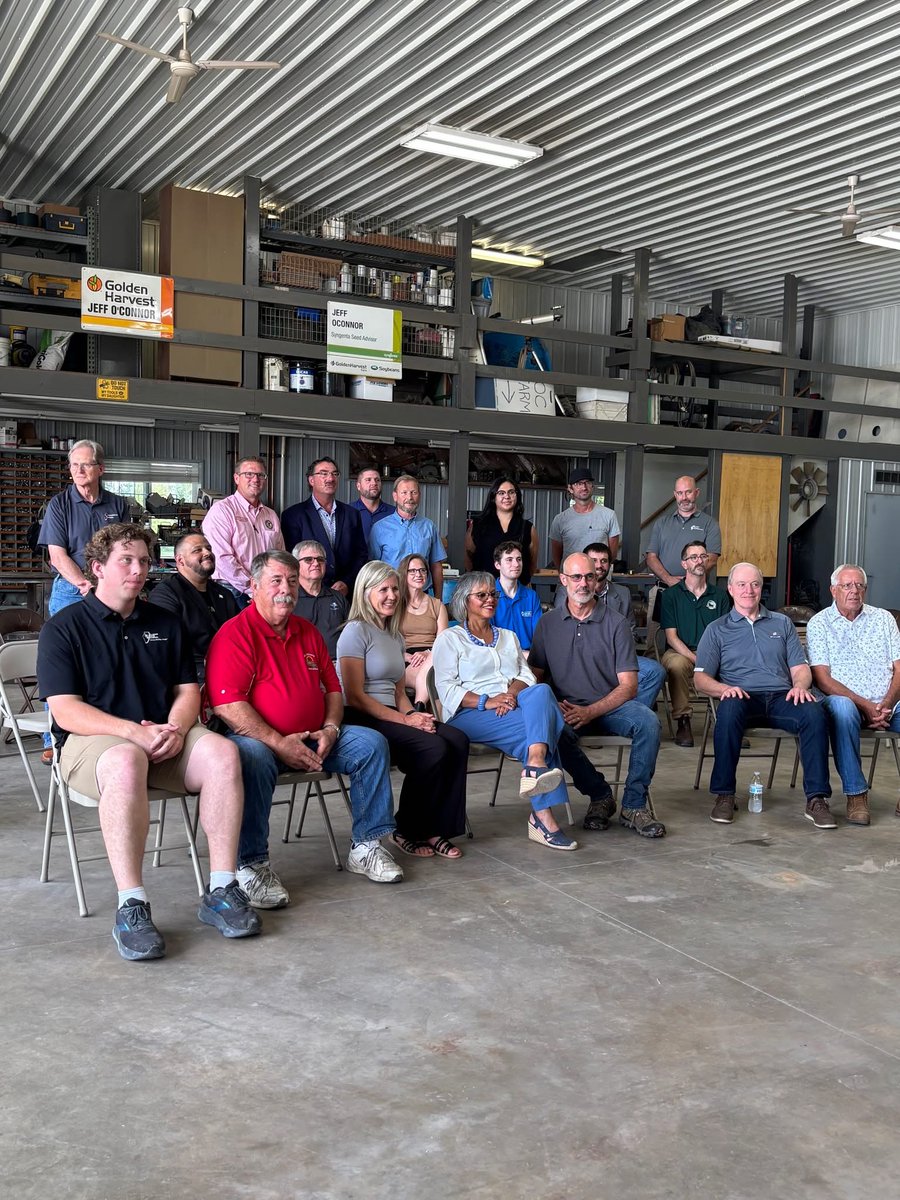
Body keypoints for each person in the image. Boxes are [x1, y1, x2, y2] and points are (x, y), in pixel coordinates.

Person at [37, 522, 260, 961]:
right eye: (126, 560)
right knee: (126, 760)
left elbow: (187, 691)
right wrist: (133, 733)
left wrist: (174, 729)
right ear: (97, 568)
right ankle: (131, 905)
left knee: (222, 752)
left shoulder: (165, 622)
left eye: (143, 561)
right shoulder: (64, 628)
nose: (138, 570)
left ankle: (222, 888)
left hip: (161, 738)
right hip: (91, 744)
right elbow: (65, 711)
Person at [206, 549, 403, 907]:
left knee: (372, 743)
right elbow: (228, 706)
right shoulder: (235, 634)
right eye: (276, 581)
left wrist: (331, 729)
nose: (286, 589)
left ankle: (366, 846)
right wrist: (278, 742)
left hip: (316, 737)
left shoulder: (307, 632)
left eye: (292, 581)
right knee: (249, 757)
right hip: (261, 742)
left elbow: (333, 689)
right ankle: (251, 865)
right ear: (253, 586)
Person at [432, 572, 579, 851]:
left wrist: (509, 695)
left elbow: (527, 676)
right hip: (469, 714)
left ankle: (535, 764)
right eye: (482, 595)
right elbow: (447, 690)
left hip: (512, 706)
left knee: (541, 691)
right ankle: (542, 817)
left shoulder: (508, 637)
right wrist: (487, 701)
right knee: (541, 728)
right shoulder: (450, 639)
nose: (490, 599)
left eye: (493, 594)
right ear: (464, 601)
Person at [338, 560, 468, 860]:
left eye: (395, 589)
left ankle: (437, 828)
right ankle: (406, 829)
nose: (392, 595)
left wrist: (414, 716)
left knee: (457, 740)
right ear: (365, 592)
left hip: (393, 714)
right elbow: (355, 696)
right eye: (383, 589)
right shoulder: (355, 631)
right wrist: (405, 721)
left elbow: (399, 693)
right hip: (362, 717)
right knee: (433, 748)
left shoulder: (395, 636)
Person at [530, 552, 666, 838]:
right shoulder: (547, 624)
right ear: (563, 580)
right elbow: (536, 677)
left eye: (589, 576)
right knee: (552, 731)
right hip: (567, 708)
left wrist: (592, 711)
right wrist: (553, 706)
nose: (583, 583)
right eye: (576, 577)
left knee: (649, 722)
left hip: (610, 706)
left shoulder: (616, 623)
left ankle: (634, 805)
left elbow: (629, 686)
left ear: (597, 580)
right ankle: (600, 795)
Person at [693, 561, 833, 828]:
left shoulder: (782, 623)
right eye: (742, 585)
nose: (749, 590)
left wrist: (800, 686)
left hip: (782, 696)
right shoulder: (717, 629)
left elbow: (800, 669)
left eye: (755, 584)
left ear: (761, 588)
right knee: (728, 709)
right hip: (741, 697)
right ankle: (724, 795)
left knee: (814, 712)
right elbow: (700, 679)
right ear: (730, 589)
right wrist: (725, 689)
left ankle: (817, 799)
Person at [37, 438, 132, 761]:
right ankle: (53, 738)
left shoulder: (117, 505)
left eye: (86, 464)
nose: (78, 470)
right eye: (74, 465)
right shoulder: (59, 505)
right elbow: (57, 555)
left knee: (112, 656)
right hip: (71, 589)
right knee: (62, 661)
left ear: (100, 469)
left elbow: (124, 549)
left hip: (110, 589)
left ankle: (109, 725)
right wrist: (84, 584)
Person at [807, 563, 900, 826]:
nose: (854, 591)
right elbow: (822, 679)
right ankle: (856, 794)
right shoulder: (819, 623)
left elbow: (899, 668)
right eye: (847, 585)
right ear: (833, 590)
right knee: (843, 708)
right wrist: (866, 705)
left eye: (859, 585)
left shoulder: (883, 619)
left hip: (887, 704)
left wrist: (886, 703)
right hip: (845, 702)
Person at [555, 541, 665, 709]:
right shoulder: (568, 591)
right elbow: (563, 629)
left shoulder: (623, 593)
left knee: (655, 671)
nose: (599, 565)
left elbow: (631, 632)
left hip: (618, 656)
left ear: (610, 564)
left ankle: (625, 711)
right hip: (581, 656)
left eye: (604, 561)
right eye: (594, 560)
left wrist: (615, 652)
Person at [660, 540, 731, 747]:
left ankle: (730, 722)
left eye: (703, 556)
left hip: (713, 652)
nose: (699, 561)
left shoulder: (720, 596)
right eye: (693, 557)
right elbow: (671, 637)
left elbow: (725, 634)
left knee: (737, 662)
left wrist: (711, 658)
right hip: (680, 651)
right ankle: (683, 721)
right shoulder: (671, 595)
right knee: (677, 665)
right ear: (684, 564)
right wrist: (697, 659)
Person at [147, 531, 239, 686]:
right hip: (191, 680)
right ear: (180, 560)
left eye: (208, 548)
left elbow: (239, 636)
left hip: (231, 671)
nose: (207, 553)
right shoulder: (166, 594)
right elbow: (166, 648)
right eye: (197, 550)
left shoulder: (224, 594)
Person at [202, 455, 284, 607]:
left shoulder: (271, 515)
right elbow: (222, 558)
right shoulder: (222, 511)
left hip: (265, 590)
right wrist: (252, 588)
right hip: (232, 590)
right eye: (249, 474)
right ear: (236, 478)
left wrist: (270, 587)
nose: (256, 479)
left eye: (261, 475)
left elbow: (280, 556)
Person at [280, 457, 367, 597]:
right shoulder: (293, 515)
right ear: (311, 480)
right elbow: (290, 558)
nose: (330, 478)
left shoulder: (352, 514)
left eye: (334, 474)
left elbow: (360, 554)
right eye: (323, 473)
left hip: (346, 594)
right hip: (308, 594)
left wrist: (347, 582)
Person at [368, 474, 446, 598]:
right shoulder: (380, 528)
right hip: (391, 596)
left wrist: (438, 599)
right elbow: (373, 567)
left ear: (419, 496)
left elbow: (436, 566)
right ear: (395, 496)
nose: (409, 497)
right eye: (404, 493)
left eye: (414, 492)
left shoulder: (429, 526)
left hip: (422, 596)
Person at [645, 475, 721, 586]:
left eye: (688, 492)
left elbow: (712, 559)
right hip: (663, 589)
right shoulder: (661, 523)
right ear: (675, 495)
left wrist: (687, 582)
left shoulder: (710, 524)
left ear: (697, 493)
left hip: (695, 589)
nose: (684, 497)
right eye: (680, 493)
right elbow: (651, 557)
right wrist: (668, 579)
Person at [397, 552, 448, 709]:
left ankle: (419, 707)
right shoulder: (395, 604)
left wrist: (427, 653)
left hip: (433, 654)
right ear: (404, 574)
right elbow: (385, 639)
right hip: (406, 657)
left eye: (422, 570)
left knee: (434, 671)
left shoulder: (437, 605)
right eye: (412, 571)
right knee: (433, 679)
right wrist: (405, 656)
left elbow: (443, 642)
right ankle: (425, 712)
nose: (418, 574)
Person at [465, 477, 539, 584]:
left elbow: (532, 565)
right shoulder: (478, 526)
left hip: (517, 588)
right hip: (485, 588)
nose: (507, 496)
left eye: (511, 492)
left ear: (517, 496)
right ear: (493, 497)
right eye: (501, 493)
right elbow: (468, 558)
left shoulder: (528, 528)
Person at [549, 467, 620, 571]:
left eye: (587, 482)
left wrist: (599, 571)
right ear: (570, 488)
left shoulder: (609, 515)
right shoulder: (560, 520)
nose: (584, 487)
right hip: (572, 578)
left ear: (592, 486)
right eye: (578, 483)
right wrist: (567, 574)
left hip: (599, 577)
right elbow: (556, 555)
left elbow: (612, 554)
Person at [291, 538, 349, 659]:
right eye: (309, 560)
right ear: (295, 565)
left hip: (336, 664)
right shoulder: (289, 599)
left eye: (320, 559)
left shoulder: (338, 597)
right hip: (301, 664)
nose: (316, 563)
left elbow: (352, 634)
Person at [492, 540, 542, 655]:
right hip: (498, 657)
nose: (516, 564)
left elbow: (539, 635)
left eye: (519, 559)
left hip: (528, 657)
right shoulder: (489, 596)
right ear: (497, 565)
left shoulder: (531, 596)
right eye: (509, 560)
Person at [351, 465, 395, 542]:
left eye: (377, 480)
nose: (374, 483)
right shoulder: (348, 511)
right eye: (368, 480)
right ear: (358, 486)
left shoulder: (394, 513)